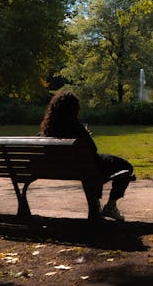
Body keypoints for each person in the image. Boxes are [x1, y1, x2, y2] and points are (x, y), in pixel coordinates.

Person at [39, 90, 134, 221]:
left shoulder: (48, 127)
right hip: (87, 164)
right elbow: (93, 148)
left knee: (88, 169)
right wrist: (86, 134)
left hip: (63, 167)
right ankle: (111, 206)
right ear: (74, 108)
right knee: (125, 166)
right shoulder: (75, 125)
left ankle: (96, 207)